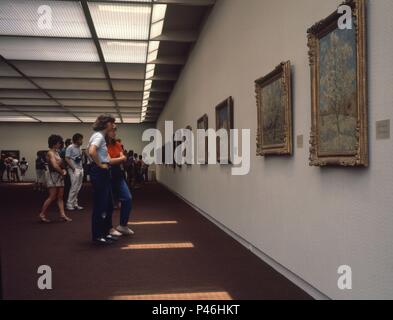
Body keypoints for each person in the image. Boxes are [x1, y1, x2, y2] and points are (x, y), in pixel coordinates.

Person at [88, 114, 119, 245]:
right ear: (106, 124)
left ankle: (105, 232)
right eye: (112, 123)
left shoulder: (100, 136)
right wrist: (100, 164)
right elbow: (91, 151)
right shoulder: (98, 136)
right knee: (100, 206)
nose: (113, 126)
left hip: (102, 172)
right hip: (100, 172)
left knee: (107, 205)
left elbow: (89, 152)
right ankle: (98, 236)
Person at [38, 135, 72, 223]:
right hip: (52, 176)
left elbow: (60, 164)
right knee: (52, 196)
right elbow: (54, 165)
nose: (60, 144)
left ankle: (62, 214)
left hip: (59, 176)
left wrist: (63, 170)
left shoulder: (57, 152)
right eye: (58, 143)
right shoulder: (50, 153)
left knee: (60, 197)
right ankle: (42, 214)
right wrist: (62, 172)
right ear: (54, 144)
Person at [107, 129, 134, 236]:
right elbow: (110, 161)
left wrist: (118, 159)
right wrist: (120, 158)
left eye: (115, 131)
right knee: (108, 203)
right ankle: (108, 227)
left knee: (127, 198)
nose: (115, 133)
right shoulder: (103, 145)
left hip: (118, 175)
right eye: (112, 131)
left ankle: (123, 225)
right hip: (107, 175)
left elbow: (123, 157)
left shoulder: (118, 144)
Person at [65, 133, 84, 211]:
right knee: (74, 187)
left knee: (78, 187)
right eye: (81, 139)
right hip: (74, 169)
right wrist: (73, 168)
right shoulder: (70, 147)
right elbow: (67, 158)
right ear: (76, 140)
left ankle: (75, 204)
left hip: (80, 168)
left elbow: (79, 158)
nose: (82, 141)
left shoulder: (79, 147)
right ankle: (69, 204)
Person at [61, 139, 72, 203]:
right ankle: (65, 200)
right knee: (67, 186)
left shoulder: (67, 150)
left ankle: (67, 200)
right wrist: (65, 169)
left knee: (68, 185)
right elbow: (63, 162)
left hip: (68, 169)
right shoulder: (64, 151)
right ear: (67, 144)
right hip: (66, 170)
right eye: (71, 143)